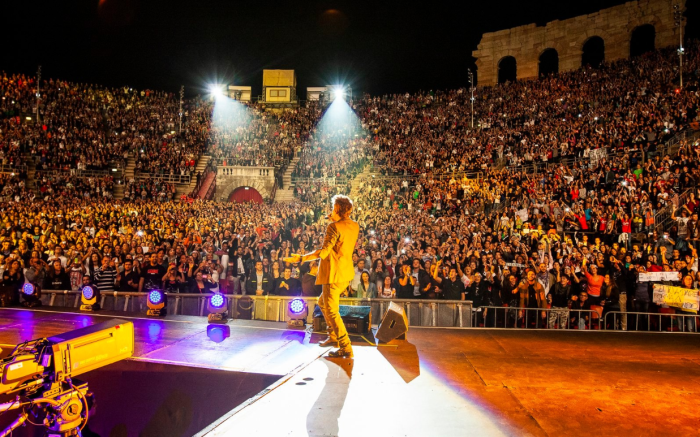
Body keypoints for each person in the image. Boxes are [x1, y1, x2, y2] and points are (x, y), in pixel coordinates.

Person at [285, 194, 359, 358]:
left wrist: (302, 257)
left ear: (338, 209)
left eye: (333, 208)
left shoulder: (334, 227)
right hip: (345, 274)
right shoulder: (354, 225)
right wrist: (335, 219)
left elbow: (324, 252)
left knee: (332, 311)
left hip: (333, 274)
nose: (331, 211)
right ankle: (333, 336)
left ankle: (345, 346)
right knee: (322, 302)